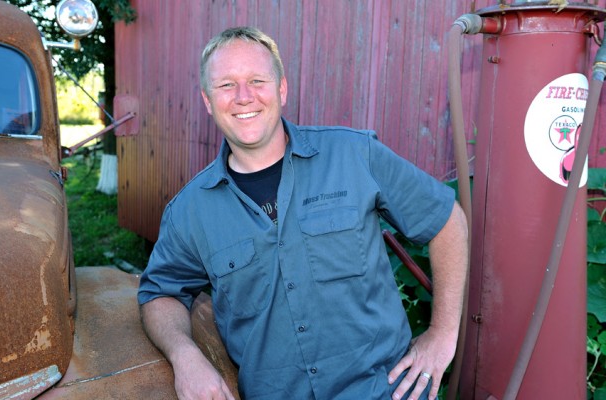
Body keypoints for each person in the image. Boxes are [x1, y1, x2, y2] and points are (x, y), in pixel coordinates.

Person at [138, 26, 468, 400]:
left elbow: (445, 219)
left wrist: (443, 333)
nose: (244, 96)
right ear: (208, 101)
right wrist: (185, 356)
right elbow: (159, 293)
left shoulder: (353, 155)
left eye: (257, 81)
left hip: (384, 390)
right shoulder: (190, 211)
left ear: (281, 89)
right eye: (226, 85)